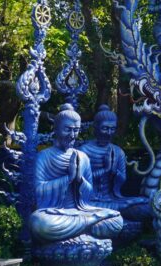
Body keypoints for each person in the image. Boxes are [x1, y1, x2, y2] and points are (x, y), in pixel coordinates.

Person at [29, 104, 123, 243]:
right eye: (68, 130)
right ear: (56, 129)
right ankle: (91, 223)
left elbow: (89, 194)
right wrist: (68, 179)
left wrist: (79, 180)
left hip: (79, 210)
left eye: (76, 130)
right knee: (38, 223)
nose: (72, 135)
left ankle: (86, 223)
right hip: (55, 213)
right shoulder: (44, 156)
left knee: (116, 220)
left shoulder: (82, 156)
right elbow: (38, 190)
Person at [78, 105, 150, 221]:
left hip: (112, 198)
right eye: (105, 128)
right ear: (95, 127)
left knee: (146, 205)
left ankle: (113, 214)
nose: (109, 133)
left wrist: (114, 171)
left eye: (112, 129)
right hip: (90, 201)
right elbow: (81, 181)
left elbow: (122, 180)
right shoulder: (84, 151)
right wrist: (105, 170)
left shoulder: (118, 151)